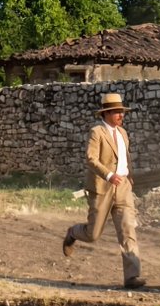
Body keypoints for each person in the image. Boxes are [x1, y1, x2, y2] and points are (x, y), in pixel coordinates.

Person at [62, 91, 146, 289]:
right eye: (117, 112)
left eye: (122, 112)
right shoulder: (97, 132)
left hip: (123, 187)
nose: (121, 115)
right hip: (103, 187)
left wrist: (129, 176)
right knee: (93, 234)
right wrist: (109, 175)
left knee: (128, 229)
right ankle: (73, 233)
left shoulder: (123, 133)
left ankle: (131, 277)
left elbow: (126, 157)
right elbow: (91, 159)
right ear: (106, 114)